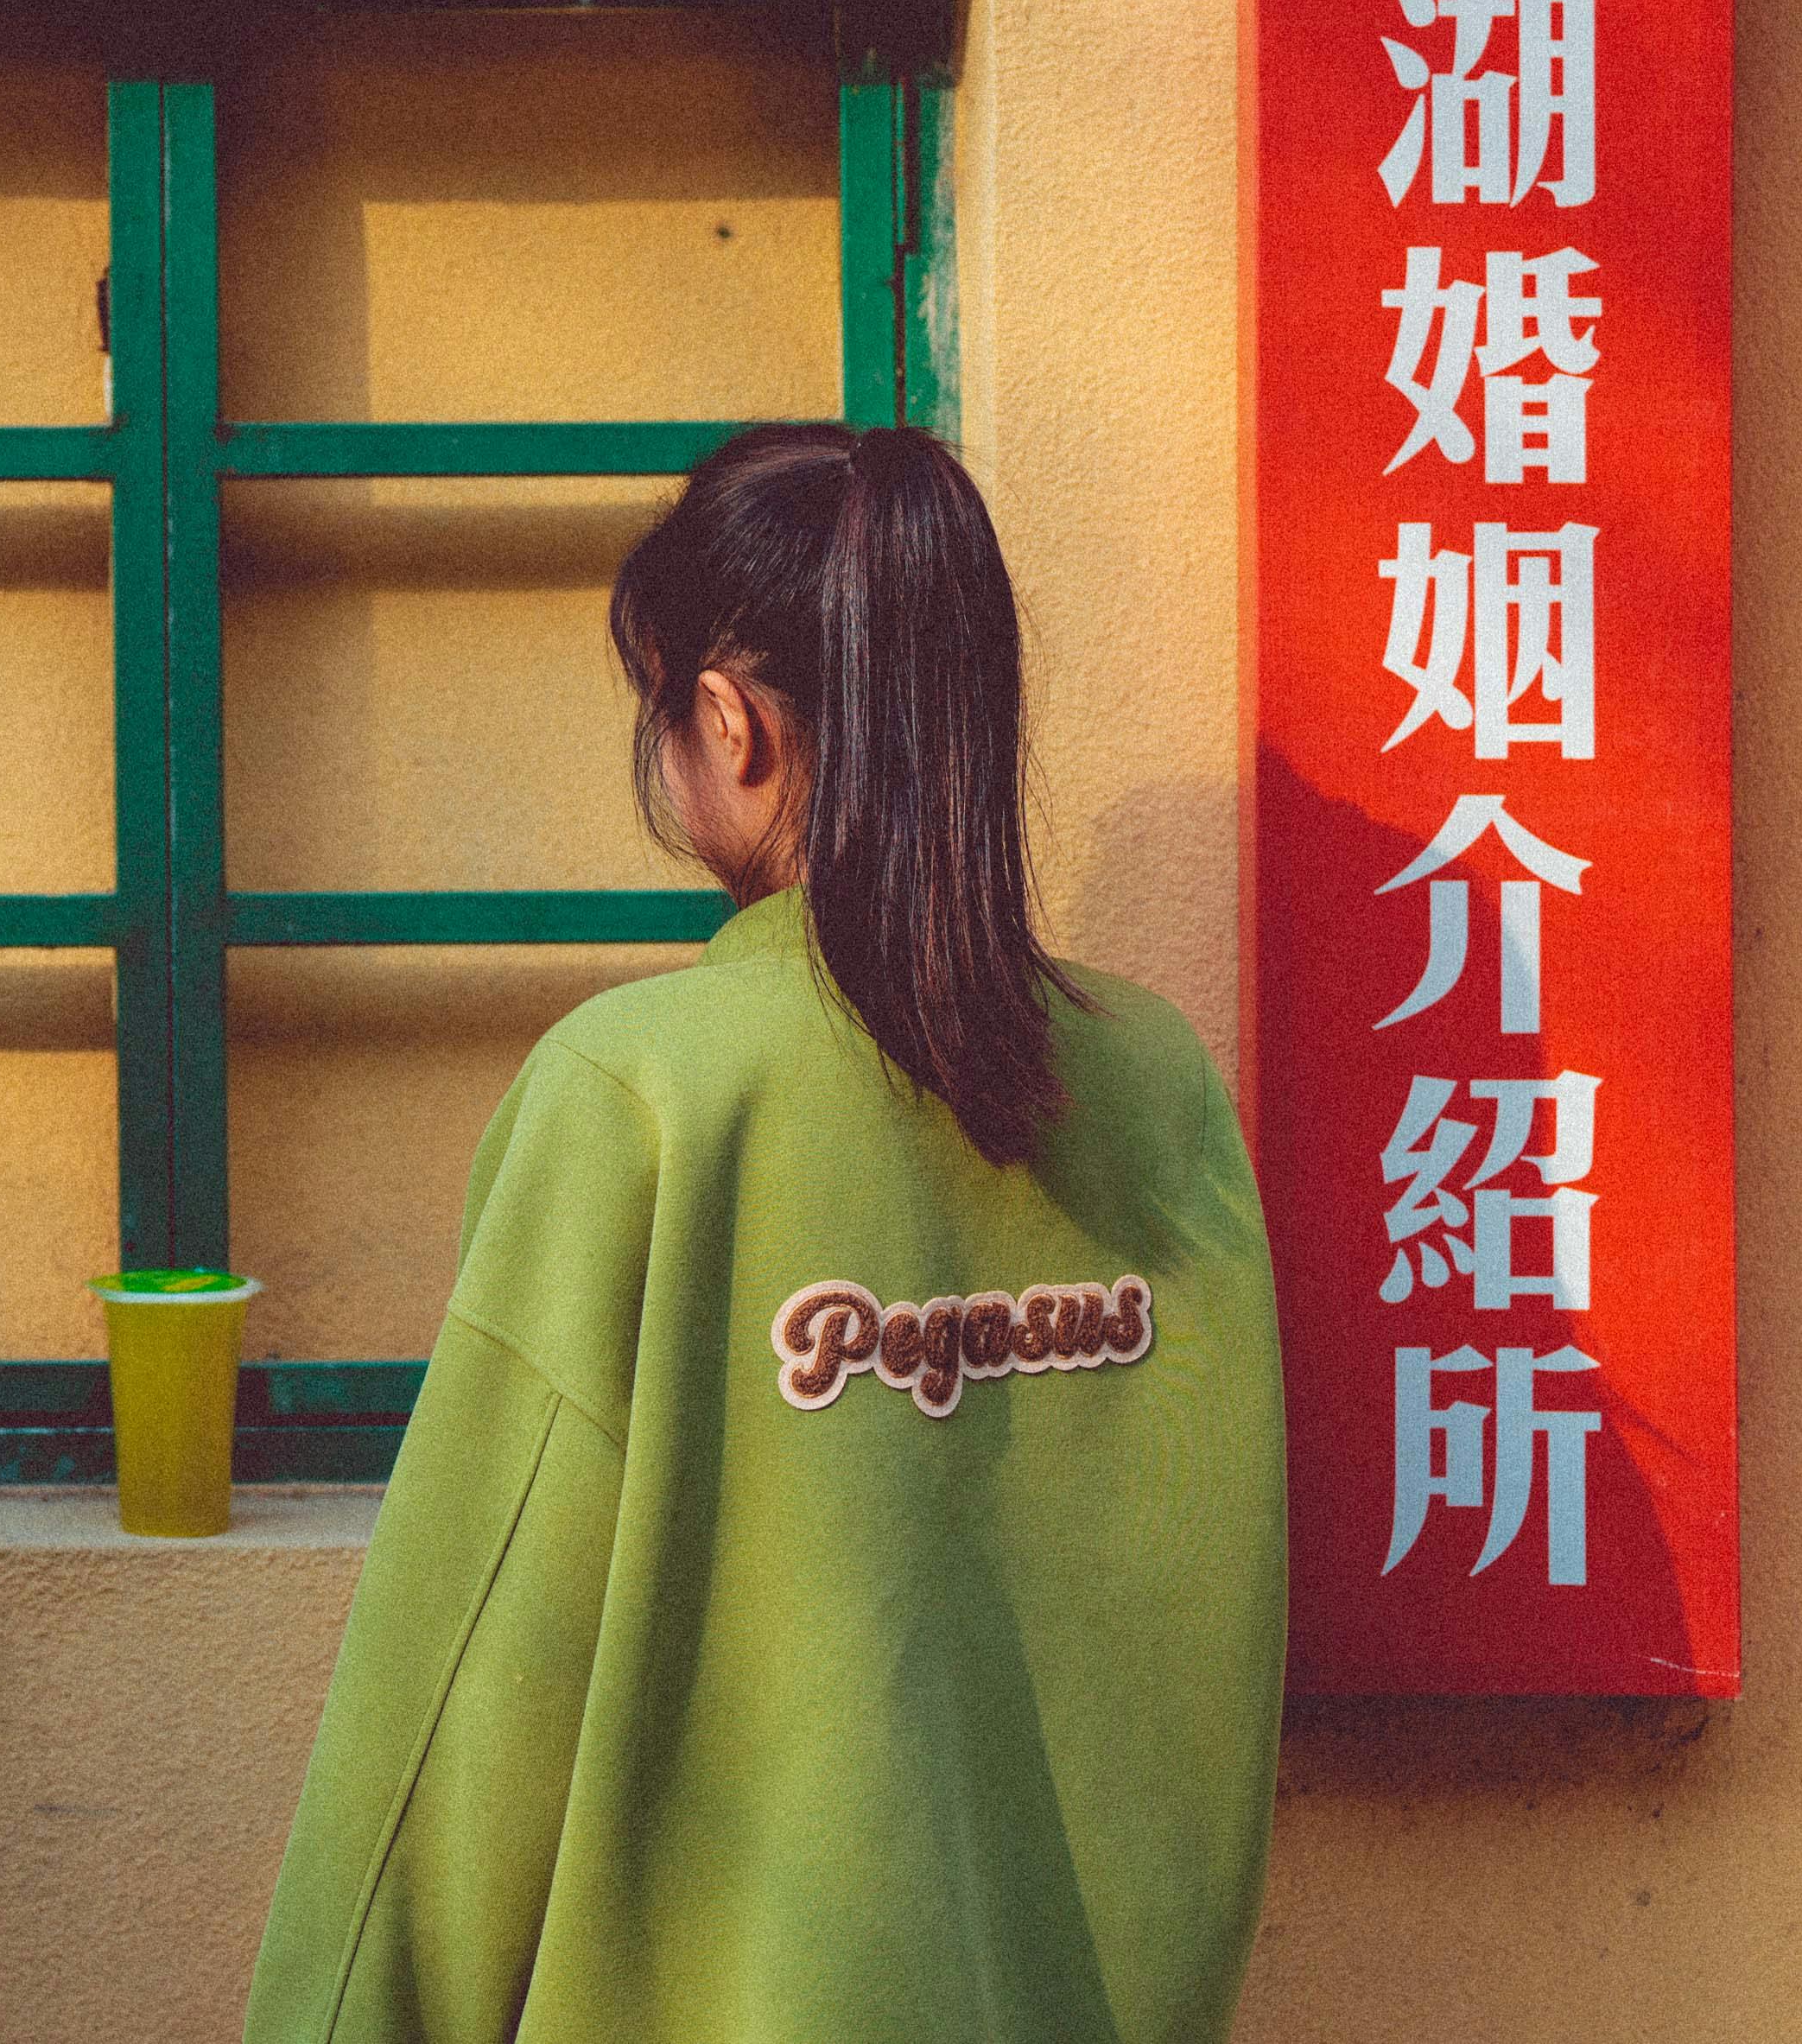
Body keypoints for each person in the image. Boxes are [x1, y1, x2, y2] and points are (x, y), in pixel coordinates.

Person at [243, 422, 1284, 2044]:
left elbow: (460, 1699)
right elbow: (1206, 1648)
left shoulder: (640, 1093)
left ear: (727, 727)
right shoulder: (1158, 1088)